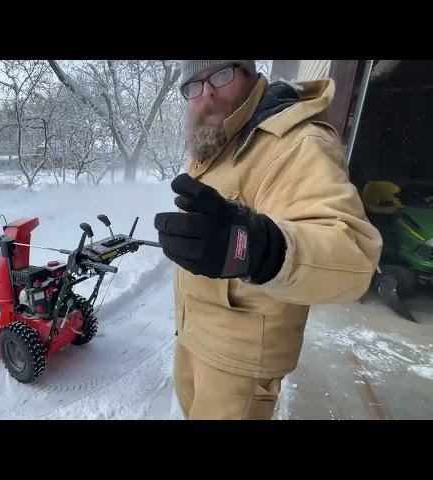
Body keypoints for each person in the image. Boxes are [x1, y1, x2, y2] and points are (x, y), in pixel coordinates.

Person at [153, 60, 383, 420]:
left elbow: (353, 256)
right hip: (194, 339)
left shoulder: (295, 143)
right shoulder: (221, 143)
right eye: (193, 86)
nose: (207, 92)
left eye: (220, 74)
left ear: (249, 71)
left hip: (239, 364)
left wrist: (257, 249)